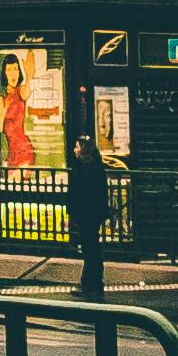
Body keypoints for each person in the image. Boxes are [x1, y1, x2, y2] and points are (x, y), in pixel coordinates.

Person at [66, 120, 110, 301]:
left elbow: (81, 194)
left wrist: (75, 212)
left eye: (77, 147)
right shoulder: (95, 166)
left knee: (90, 249)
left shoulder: (84, 168)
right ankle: (91, 284)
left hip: (87, 215)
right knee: (91, 248)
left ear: (83, 149)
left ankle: (92, 286)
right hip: (93, 214)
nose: (74, 150)